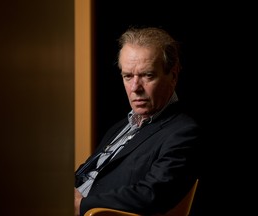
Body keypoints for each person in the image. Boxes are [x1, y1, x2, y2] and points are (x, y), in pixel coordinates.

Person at [74, 26, 200, 216]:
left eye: (147, 75)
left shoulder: (183, 132)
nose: (135, 88)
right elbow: (91, 173)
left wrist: (81, 204)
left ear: (173, 76)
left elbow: (151, 194)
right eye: (128, 76)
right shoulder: (122, 126)